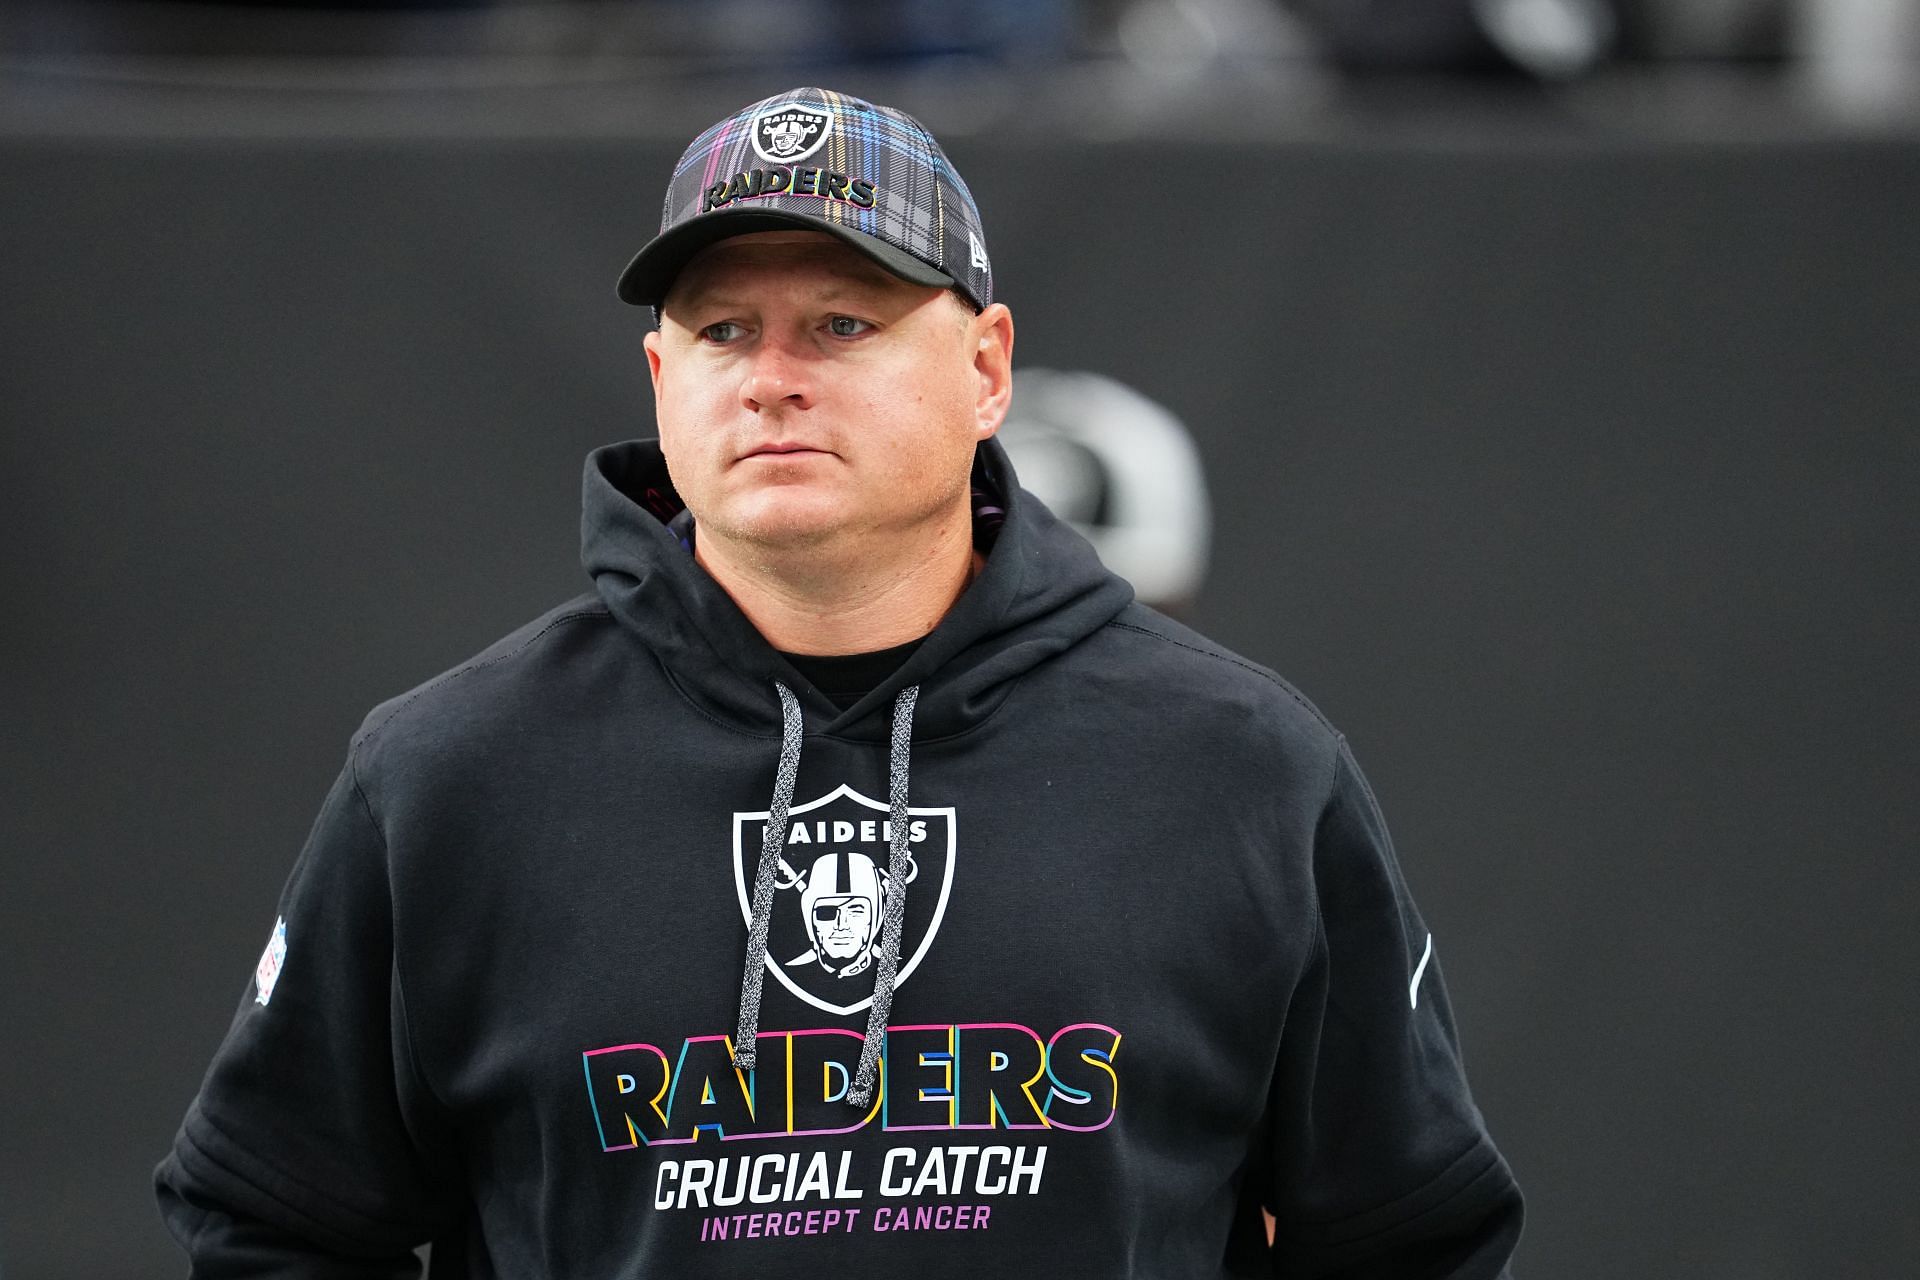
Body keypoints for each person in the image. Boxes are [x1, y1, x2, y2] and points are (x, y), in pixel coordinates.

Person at [156, 87, 1523, 1277]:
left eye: (842, 322)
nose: (772, 380)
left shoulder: (1239, 769)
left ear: (987, 368)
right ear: (659, 375)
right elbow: (276, 1213)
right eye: (723, 331)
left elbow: (1408, 1233)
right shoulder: (451, 775)